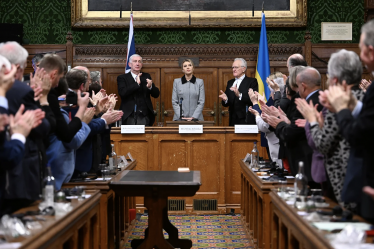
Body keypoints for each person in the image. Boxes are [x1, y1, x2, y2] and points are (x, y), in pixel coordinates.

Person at [324, 19, 374, 222]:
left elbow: (358, 135)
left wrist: (342, 109)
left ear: (370, 51)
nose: (362, 59)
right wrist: (353, 105)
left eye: (361, 50)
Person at [117, 54, 160, 126]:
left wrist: (150, 87)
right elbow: (122, 93)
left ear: (141, 64)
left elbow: (156, 94)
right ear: (129, 64)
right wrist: (136, 84)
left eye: (139, 61)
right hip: (129, 116)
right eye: (135, 61)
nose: (137, 63)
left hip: (145, 116)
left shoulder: (146, 76)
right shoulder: (122, 78)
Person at [219, 58, 258, 126]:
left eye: (236, 67)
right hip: (232, 119)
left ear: (243, 69)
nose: (234, 69)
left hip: (246, 119)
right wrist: (225, 99)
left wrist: (239, 95)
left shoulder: (252, 81)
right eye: (233, 67)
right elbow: (226, 104)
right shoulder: (230, 82)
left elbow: (253, 100)